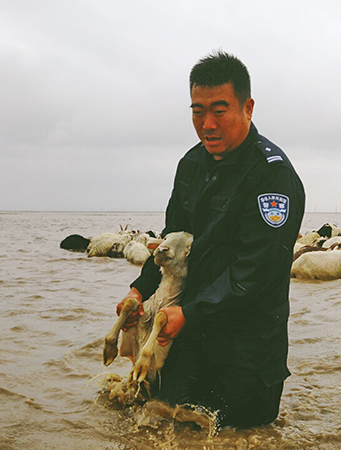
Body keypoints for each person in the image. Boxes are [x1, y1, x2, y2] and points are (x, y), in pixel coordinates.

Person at [116, 51, 305, 428]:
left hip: (246, 354)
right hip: (187, 340)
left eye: (220, 111)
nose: (207, 124)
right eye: (197, 111)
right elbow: (170, 250)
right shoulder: (191, 165)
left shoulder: (272, 178)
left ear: (247, 108)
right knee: (163, 425)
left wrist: (189, 314)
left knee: (239, 434)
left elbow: (256, 273)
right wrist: (139, 292)